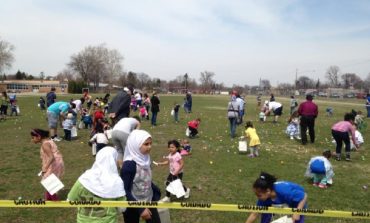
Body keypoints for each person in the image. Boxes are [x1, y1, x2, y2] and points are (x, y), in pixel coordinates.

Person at [67, 146, 126, 223]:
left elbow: (70, 200)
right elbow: (122, 208)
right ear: (113, 160)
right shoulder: (116, 182)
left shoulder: (84, 179)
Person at [120, 129, 161, 223]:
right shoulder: (129, 166)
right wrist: (140, 209)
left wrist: (155, 190)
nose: (150, 147)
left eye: (151, 143)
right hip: (133, 204)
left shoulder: (146, 158)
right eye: (146, 144)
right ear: (135, 145)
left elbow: (145, 178)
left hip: (149, 199)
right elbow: (124, 190)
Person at [30, 128, 64, 200]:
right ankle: (48, 199)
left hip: (53, 164)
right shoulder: (49, 141)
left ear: (38, 137)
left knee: (49, 182)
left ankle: (55, 201)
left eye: (33, 138)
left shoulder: (45, 144)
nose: (32, 140)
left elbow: (51, 157)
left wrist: (45, 168)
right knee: (49, 181)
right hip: (57, 162)